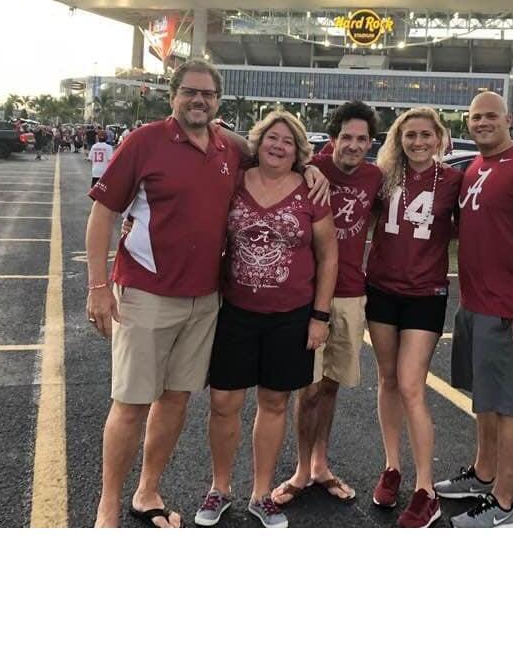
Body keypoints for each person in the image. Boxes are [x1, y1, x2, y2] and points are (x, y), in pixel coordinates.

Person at [86, 60, 329, 528]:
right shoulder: (144, 142)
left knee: (175, 400)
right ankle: (107, 508)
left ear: (218, 102)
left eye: (208, 94)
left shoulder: (227, 146)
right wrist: (98, 286)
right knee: (131, 402)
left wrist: (311, 165)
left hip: (206, 301)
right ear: (172, 95)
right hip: (146, 292)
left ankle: (147, 491)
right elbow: (102, 215)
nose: (198, 100)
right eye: (189, 92)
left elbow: (277, 152)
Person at [195, 111, 337, 528]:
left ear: (299, 151)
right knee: (223, 402)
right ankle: (220, 488)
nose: (279, 146)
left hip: (290, 314)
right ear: (259, 143)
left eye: (288, 141)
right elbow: (216, 133)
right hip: (236, 311)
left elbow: (329, 256)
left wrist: (320, 316)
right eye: (272, 138)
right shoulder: (237, 180)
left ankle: (261, 493)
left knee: (274, 403)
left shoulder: (311, 190)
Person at [439, 91, 513, 528]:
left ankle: (505, 507)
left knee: (509, 405)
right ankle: (483, 473)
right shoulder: (475, 166)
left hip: (510, 308)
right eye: (475, 117)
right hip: (474, 303)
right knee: (485, 399)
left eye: (491, 115)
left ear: (508, 118)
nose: (483, 123)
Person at [271, 101, 381, 507]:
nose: (353, 146)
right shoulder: (308, 168)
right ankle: (301, 469)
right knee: (309, 387)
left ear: (371, 142)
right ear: (332, 139)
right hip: (309, 293)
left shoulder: (374, 177)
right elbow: (245, 146)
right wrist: (310, 165)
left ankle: (320, 464)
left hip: (352, 292)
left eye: (362, 139)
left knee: (331, 385)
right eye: (346, 138)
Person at [365, 107, 463, 528]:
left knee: (411, 386)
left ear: (439, 137)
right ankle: (392, 465)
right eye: (410, 136)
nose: (418, 142)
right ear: (398, 139)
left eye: (426, 134)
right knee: (387, 379)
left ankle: (427, 489)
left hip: (425, 292)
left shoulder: (455, 181)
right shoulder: (382, 176)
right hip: (382, 288)